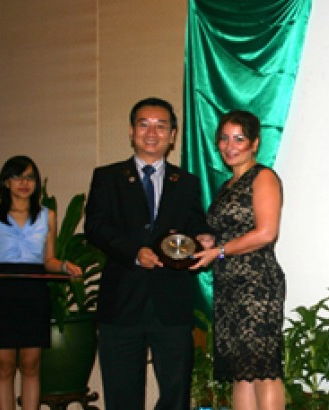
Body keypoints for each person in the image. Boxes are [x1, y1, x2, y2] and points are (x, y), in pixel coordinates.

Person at [84, 97, 214, 409]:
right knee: (121, 395)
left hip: (171, 303)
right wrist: (134, 252)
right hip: (121, 303)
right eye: (144, 124)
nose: (152, 132)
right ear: (131, 131)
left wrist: (204, 237)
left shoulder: (187, 183)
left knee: (176, 395)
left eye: (161, 126)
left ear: (173, 136)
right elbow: (96, 227)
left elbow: (195, 225)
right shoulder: (107, 177)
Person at [0, 155, 83, 410]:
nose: (24, 183)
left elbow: (49, 259)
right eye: (17, 177)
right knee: (4, 365)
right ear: (6, 182)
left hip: (33, 292)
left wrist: (64, 266)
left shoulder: (47, 216)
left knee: (31, 364)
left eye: (30, 177)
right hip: (1, 292)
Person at [192, 110, 286, 410]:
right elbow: (230, 233)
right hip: (229, 285)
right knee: (240, 374)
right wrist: (211, 242)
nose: (230, 145)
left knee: (263, 372)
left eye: (239, 139)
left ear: (255, 144)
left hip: (258, 284)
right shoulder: (226, 186)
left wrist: (219, 251)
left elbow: (266, 233)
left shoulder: (264, 176)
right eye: (224, 138)